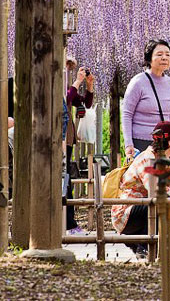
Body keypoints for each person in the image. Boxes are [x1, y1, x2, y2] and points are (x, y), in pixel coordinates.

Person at [111, 120, 170, 259]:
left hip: (147, 208)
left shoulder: (166, 160)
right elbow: (154, 189)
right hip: (128, 211)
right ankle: (143, 246)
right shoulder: (147, 159)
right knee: (161, 204)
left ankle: (136, 241)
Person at [123, 39, 170, 162]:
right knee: (145, 180)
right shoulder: (138, 82)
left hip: (165, 143)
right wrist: (128, 144)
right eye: (159, 54)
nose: (164, 58)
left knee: (165, 180)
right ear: (149, 59)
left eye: (168, 54)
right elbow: (127, 114)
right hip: (141, 143)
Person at [65, 60, 94, 234]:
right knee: (65, 180)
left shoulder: (68, 86)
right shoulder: (58, 84)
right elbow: (65, 100)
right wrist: (77, 82)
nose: (71, 70)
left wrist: (89, 86)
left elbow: (85, 103)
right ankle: (69, 224)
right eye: (68, 66)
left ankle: (70, 223)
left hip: (67, 138)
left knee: (67, 178)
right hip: (59, 139)